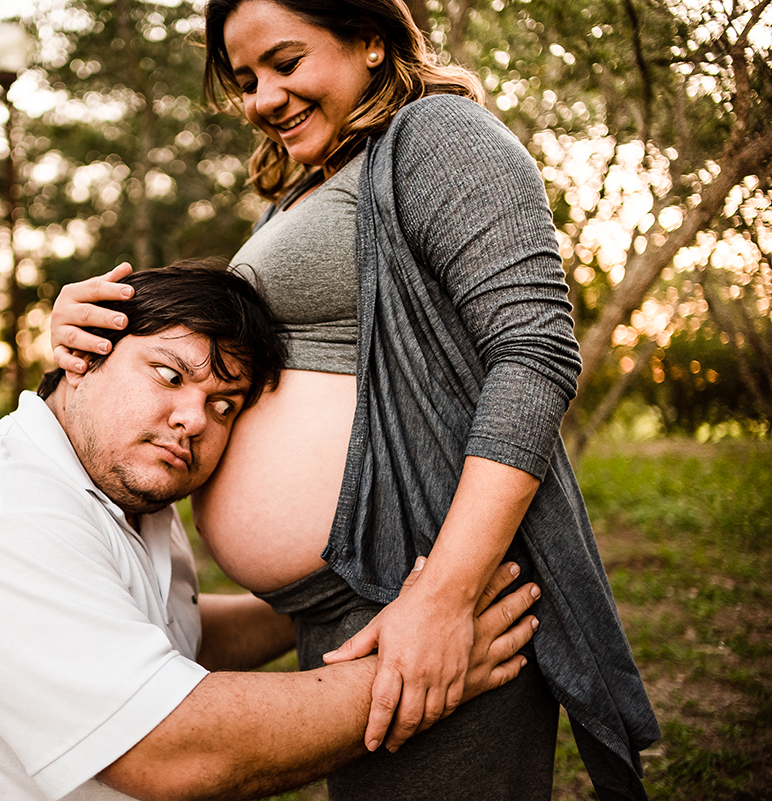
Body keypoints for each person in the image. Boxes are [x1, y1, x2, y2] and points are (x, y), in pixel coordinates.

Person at [49, 2, 660, 800]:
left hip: (429, 593)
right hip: (344, 605)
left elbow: (534, 352)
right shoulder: (310, 187)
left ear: (371, 39)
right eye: (245, 79)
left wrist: (444, 595)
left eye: (286, 62)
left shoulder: (440, 135)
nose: (263, 97)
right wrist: (90, 321)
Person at [0, 261, 542, 801]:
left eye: (223, 403)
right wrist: (427, 667)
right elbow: (174, 748)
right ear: (82, 355)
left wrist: (357, 600)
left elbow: (163, 632)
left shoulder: (125, 498)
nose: (194, 418)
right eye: (169, 374)